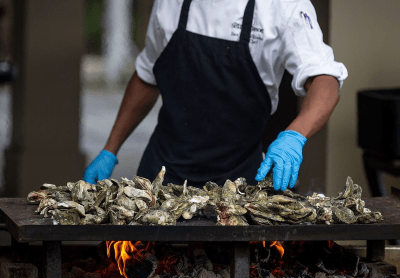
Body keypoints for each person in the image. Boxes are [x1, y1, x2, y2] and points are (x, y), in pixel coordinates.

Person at [83, 0, 347, 191]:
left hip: (240, 181)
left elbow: (324, 79)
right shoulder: (169, 3)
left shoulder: (283, 7)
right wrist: (110, 149)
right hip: (161, 176)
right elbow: (147, 75)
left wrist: (294, 136)